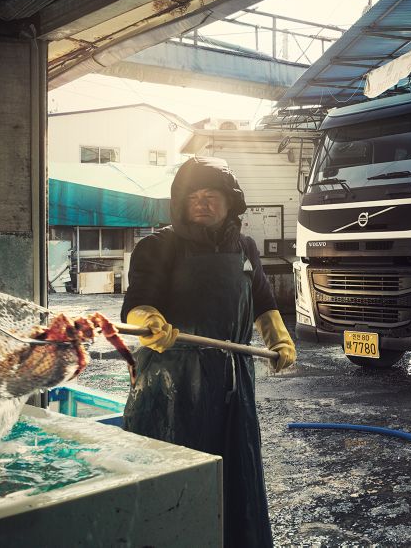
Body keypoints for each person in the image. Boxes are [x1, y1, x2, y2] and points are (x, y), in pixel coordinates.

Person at [121, 157, 296, 547]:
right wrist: (148, 322)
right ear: (181, 204)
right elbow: (136, 302)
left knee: (237, 467)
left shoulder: (245, 247)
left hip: (234, 379)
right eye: (193, 197)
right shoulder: (156, 246)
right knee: (176, 469)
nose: (201, 203)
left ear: (229, 201)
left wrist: (279, 338)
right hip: (171, 380)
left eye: (211, 195)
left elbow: (263, 301)